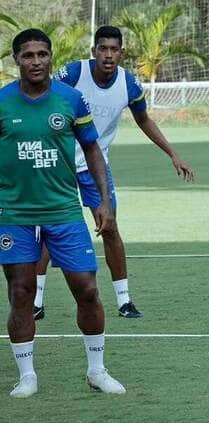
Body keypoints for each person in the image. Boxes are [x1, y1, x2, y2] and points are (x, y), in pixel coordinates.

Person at [33, 25, 195, 321]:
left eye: (114, 49)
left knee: (109, 228)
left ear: (121, 53)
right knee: (49, 230)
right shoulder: (72, 74)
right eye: (102, 49)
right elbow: (42, 97)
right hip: (58, 165)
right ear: (94, 51)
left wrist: (173, 154)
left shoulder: (129, 85)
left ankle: (124, 301)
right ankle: (36, 302)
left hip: (95, 167)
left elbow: (144, 120)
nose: (108, 55)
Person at [1, 29, 125, 398]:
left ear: (50, 57)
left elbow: (92, 151)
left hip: (65, 210)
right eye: (28, 55)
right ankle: (27, 377)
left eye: (42, 54)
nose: (36, 61)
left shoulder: (71, 99)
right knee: (20, 292)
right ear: (17, 60)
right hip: (14, 214)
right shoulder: (2, 102)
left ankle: (97, 371)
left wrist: (104, 202)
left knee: (87, 290)